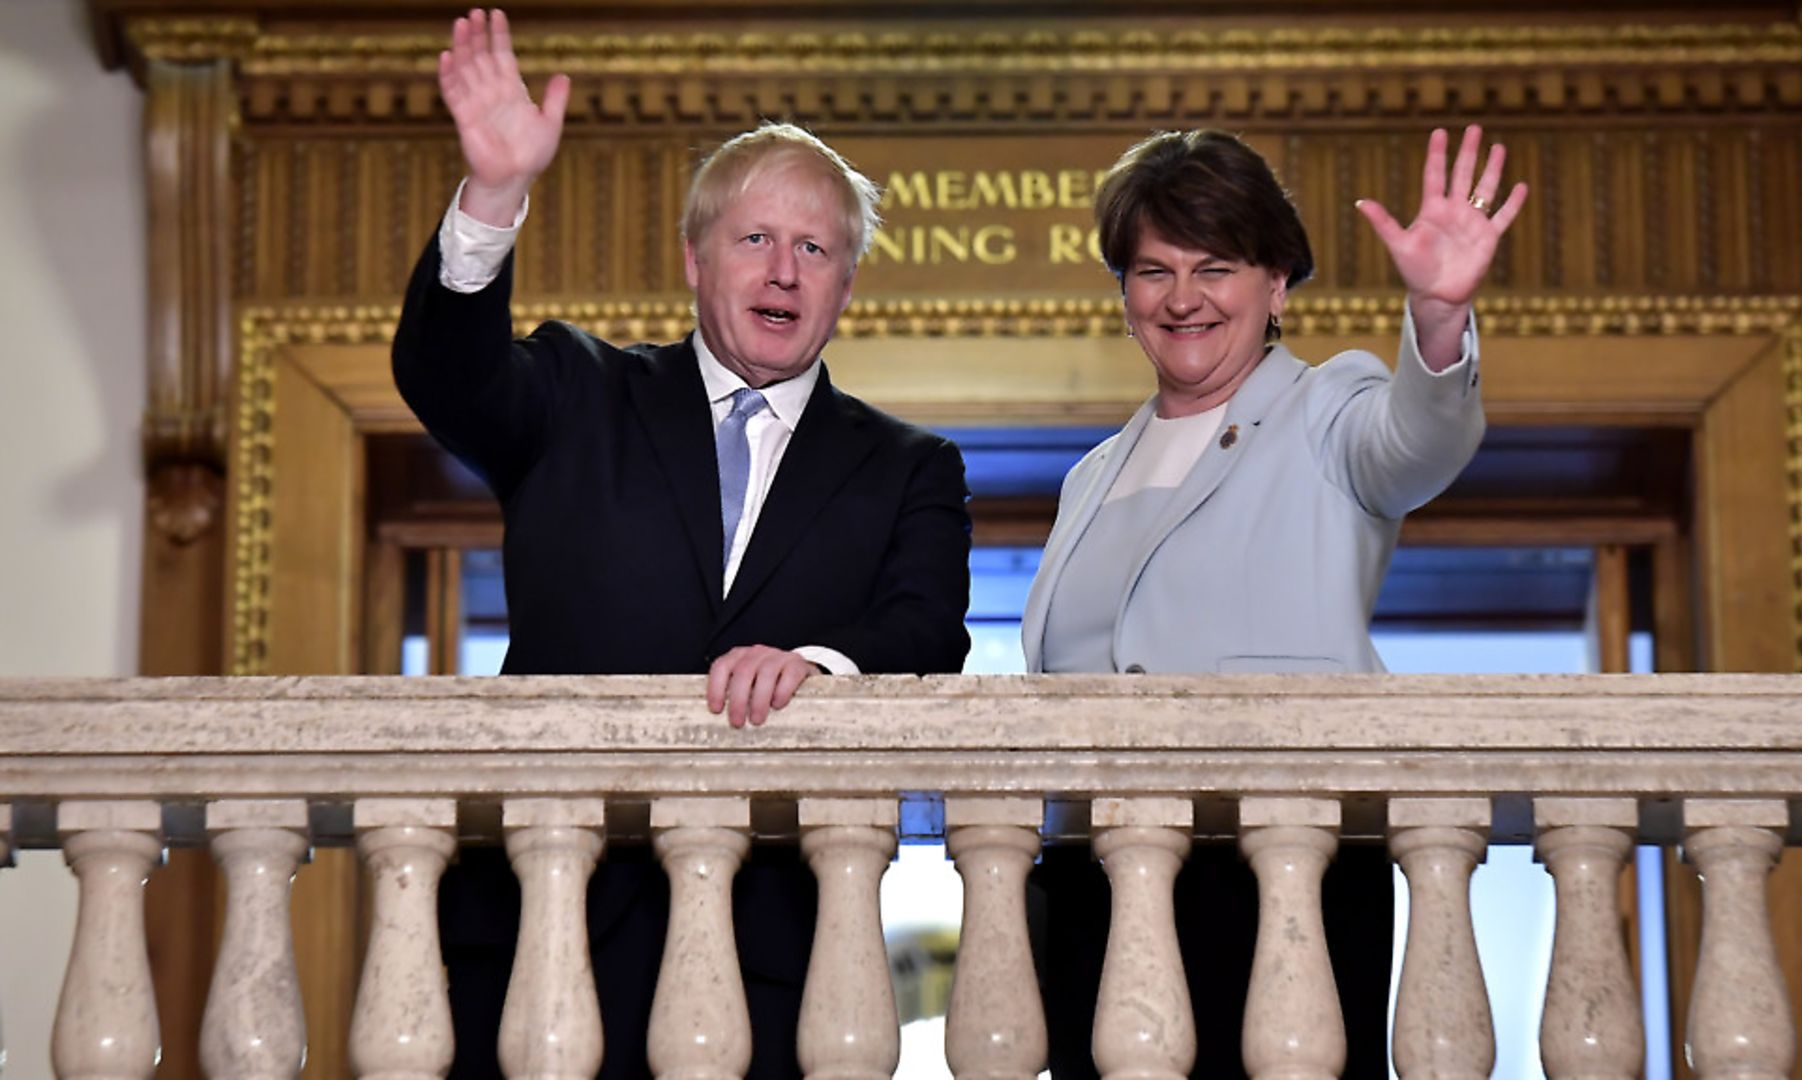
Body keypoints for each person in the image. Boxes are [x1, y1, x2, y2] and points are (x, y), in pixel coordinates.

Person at [391, 9, 971, 1078]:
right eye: (755, 239)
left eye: (816, 248)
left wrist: (820, 666)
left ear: (847, 283)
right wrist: (493, 197)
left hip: (771, 961)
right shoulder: (575, 389)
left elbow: (929, 628)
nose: (785, 271)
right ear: (696, 259)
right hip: (539, 930)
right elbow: (446, 377)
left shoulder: (909, 465)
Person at [1021, 127, 1524, 1077]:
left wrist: (1440, 315)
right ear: (1122, 292)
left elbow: (1416, 445)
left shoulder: (1330, 410)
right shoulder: (1090, 475)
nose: (1182, 299)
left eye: (1216, 267)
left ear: (1278, 284)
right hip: (1104, 888)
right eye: (1152, 270)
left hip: (1278, 870)